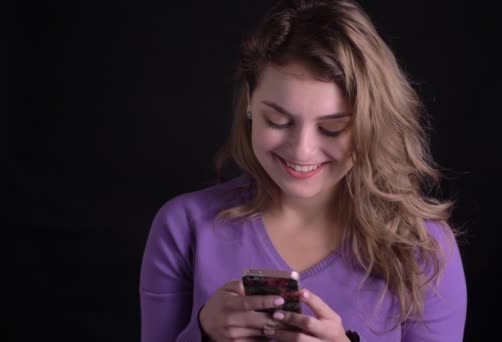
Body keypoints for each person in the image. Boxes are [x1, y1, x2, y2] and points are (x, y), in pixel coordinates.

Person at [139, 0, 467, 341]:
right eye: (278, 121)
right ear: (250, 100)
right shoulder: (184, 227)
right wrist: (203, 332)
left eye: (332, 128)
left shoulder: (422, 247)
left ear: (371, 123)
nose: (302, 151)